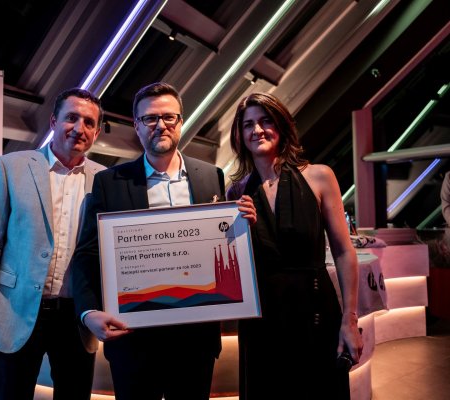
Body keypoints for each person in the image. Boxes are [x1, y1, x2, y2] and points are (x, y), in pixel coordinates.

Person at [71, 82, 250, 400]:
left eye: (169, 117)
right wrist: (87, 312)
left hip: (196, 342)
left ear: (180, 121)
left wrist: (242, 224)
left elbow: (220, 244)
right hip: (132, 341)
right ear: (137, 125)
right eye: (150, 118)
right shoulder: (110, 182)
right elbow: (87, 254)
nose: (160, 125)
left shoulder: (211, 176)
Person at [0, 88, 105, 400]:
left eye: (89, 122)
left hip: (77, 317)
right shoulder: (11, 167)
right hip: (16, 311)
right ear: (53, 121)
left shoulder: (106, 180)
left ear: (96, 132)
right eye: (71, 118)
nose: (79, 128)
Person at [227, 92, 363, 399]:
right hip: (262, 322)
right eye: (248, 124)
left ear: (281, 125)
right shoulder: (236, 192)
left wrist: (350, 320)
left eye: (265, 121)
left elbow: (344, 252)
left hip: (315, 313)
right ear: (240, 135)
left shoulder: (319, 176)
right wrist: (242, 231)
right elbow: (234, 265)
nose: (257, 130)